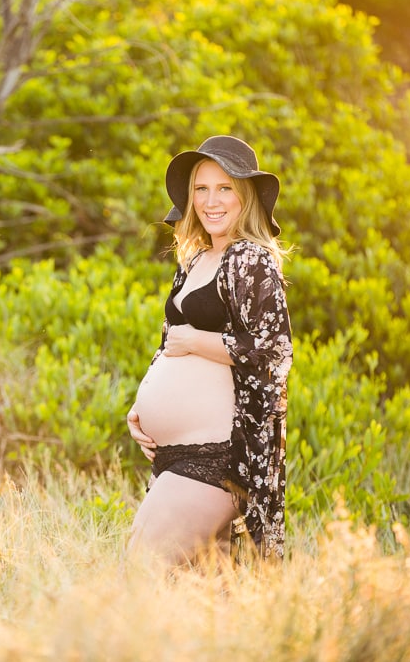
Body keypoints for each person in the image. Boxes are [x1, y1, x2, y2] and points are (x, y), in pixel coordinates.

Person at [126, 135, 292, 565]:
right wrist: (141, 410)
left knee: (143, 566)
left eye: (225, 188)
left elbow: (272, 350)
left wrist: (194, 340)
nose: (210, 200)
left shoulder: (249, 260)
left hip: (218, 455)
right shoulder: (197, 260)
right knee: (199, 597)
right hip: (175, 453)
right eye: (201, 189)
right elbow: (170, 346)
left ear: (245, 196)